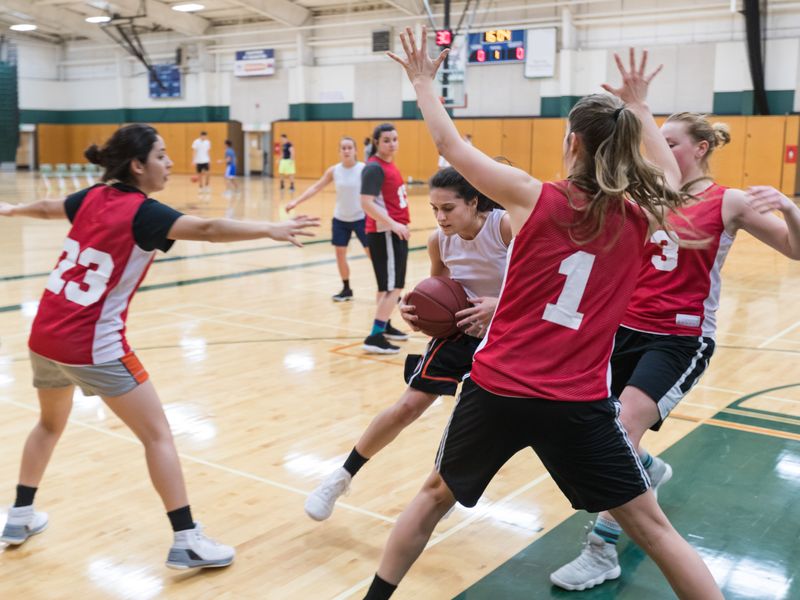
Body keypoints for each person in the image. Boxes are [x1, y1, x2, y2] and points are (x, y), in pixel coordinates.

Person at [361, 28, 723, 600]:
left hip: (499, 387)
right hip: (578, 402)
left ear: (572, 143)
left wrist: (424, 82)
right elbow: (672, 177)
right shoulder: (639, 217)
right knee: (653, 529)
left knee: (433, 497)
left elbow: (453, 150)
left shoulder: (533, 198)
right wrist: (638, 106)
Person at [0, 124, 318, 569]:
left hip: (44, 335)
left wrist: (14, 209)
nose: (169, 164)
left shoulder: (92, 196)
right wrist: (270, 228)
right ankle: (186, 538)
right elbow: (207, 228)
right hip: (92, 344)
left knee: (49, 425)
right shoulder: (142, 212)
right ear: (138, 165)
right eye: (162, 156)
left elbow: (52, 207)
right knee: (157, 435)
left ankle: (18, 516)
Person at [550, 50, 800, 591]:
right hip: (622, 329)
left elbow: (794, 249)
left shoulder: (728, 201)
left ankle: (602, 549)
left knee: (617, 431)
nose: (658, 146)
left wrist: (789, 207)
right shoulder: (645, 193)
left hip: (679, 339)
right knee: (592, 427)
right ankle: (648, 468)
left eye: (671, 140)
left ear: (701, 148)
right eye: (656, 137)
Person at [305, 166, 511, 521]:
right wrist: (416, 311)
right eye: (434, 209)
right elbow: (438, 290)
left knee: (469, 420)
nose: (440, 217)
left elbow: (541, 283)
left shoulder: (504, 227)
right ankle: (341, 476)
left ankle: (442, 489)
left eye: (448, 208)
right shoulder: (439, 240)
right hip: (460, 331)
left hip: (504, 336)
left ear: (474, 201)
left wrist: (498, 305)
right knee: (407, 407)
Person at [286, 137, 370, 302]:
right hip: (340, 219)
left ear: (355, 150)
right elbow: (316, 187)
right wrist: (296, 201)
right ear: (339, 151)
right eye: (343, 148)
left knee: (373, 254)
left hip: (361, 218)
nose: (346, 151)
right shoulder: (334, 170)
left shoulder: (363, 169)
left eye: (349, 148)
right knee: (340, 254)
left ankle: (388, 289)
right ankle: (346, 289)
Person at [360, 123, 411, 354]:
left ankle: (385, 324)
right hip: (386, 233)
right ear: (376, 142)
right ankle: (375, 336)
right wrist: (394, 225)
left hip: (392, 231)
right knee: (395, 287)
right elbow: (366, 202)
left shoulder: (389, 165)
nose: (392, 143)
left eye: (395, 139)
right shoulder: (374, 168)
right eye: (386, 140)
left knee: (387, 286)